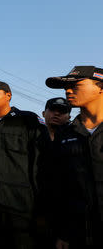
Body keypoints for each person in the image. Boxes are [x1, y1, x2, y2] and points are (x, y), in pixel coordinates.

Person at [0, 80, 47, 249]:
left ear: (8, 95)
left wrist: (41, 207)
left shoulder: (27, 120)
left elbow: (40, 164)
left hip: (18, 205)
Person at [45, 66, 103, 249]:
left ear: (100, 87)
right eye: (66, 87)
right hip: (76, 234)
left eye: (76, 85)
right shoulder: (64, 135)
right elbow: (59, 189)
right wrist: (62, 233)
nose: (68, 91)